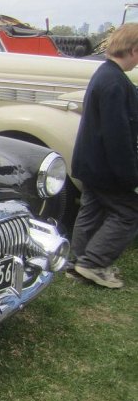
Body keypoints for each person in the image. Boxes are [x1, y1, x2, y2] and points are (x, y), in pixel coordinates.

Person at [68, 23, 138, 288]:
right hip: (107, 167)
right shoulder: (114, 83)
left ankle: (77, 262)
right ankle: (94, 263)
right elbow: (117, 135)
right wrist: (129, 175)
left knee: (92, 210)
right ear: (133, 50)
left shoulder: (104, 74)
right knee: (128, 213)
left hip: (89, 162)